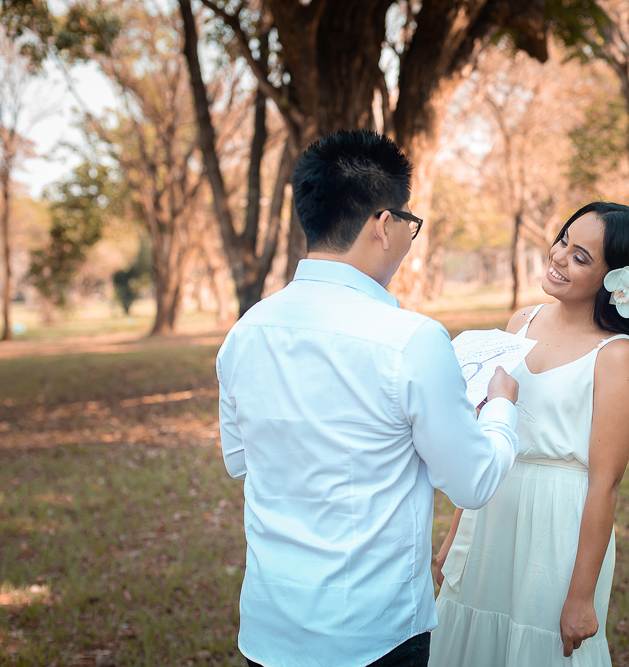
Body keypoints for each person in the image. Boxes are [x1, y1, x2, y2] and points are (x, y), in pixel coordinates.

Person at [216, 129, 522, 667]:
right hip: (372, 634)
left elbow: (241, 461)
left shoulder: (245, 332)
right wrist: (500, 406)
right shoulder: (412, 339)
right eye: (408, 221)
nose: (408, 235)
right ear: (383, 224)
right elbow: (473, 482)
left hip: (270, 625)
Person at [430, 202, 629, 667]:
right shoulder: (522, 322)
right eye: (563, 240)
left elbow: (605, 484)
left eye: (581, 257)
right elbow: (488, 437)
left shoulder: (616, 356)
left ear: (614, 279)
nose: (559, 256)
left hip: (557, 528)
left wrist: (581, 597)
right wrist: (452, 539)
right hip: (494, 508)